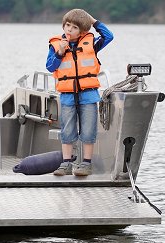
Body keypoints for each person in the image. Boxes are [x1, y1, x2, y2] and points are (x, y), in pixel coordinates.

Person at [46, 9, 113, 176]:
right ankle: (66, 163)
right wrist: (60, 53)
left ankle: (86, 164)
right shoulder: (55, 45)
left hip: (88, 94)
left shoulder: (92, 43)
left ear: (83, 31)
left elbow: (109, 36)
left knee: (89, 130)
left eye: (74, 27)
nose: (69, 29)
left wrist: (93, 21)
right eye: (67, 25)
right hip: (67, 95)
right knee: (67, 130)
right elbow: (50, 66)